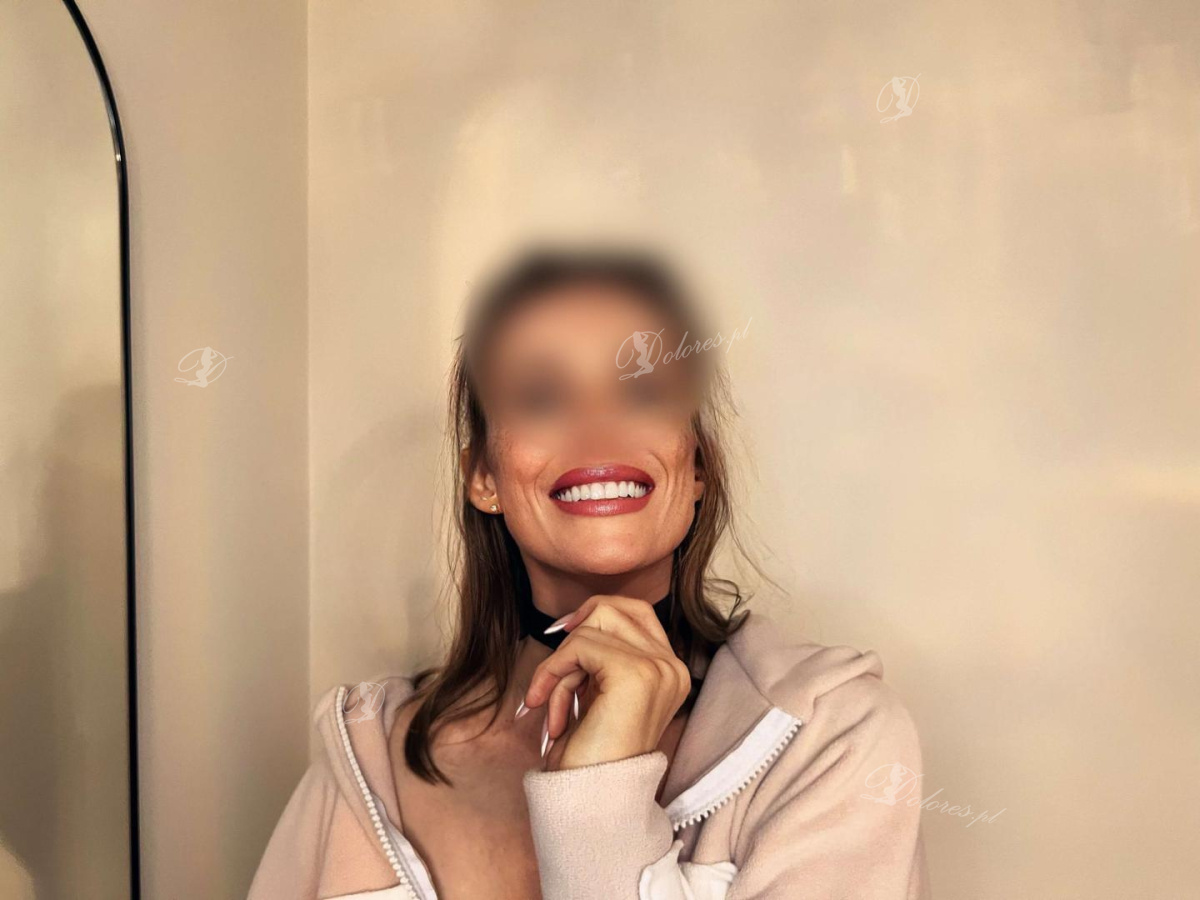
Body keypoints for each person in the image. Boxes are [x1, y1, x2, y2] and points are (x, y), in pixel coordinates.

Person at [247, 245, 929, 899]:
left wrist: (599, 794)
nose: (597, 427)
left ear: (695, 466)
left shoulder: (833, 735)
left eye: (643, 391)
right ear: (484, 477)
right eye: (542, 397)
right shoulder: (361, 762)